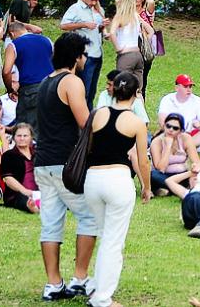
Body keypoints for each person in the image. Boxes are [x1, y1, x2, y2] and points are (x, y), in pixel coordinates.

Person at [32, 32, 98, 302]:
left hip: (43, 162)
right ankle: (80, 278)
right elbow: (85, 123)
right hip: (65, 163)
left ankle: (53, 283)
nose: (85, 59)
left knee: (50, 223)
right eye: (83, 54)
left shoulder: (46, 82)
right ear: (76, 57)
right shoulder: (71, 81)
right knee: (89, 217)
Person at [81, 71, 151, 307]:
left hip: (93, 179)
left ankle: (97, 288)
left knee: (105, 236)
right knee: (113, 241)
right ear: (135, 94)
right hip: (117, 179)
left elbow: (88, 146)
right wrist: (146, 187)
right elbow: (143, 161)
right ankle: (102, 298)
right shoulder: (136, 122)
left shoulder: (98, 114)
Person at [61, 0, 107, 105]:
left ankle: (89, 117)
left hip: (98, 53)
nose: (93, 2)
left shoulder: (97, 10)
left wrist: (101, 26)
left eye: (96, 0)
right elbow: (64, 25)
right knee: (84, 91)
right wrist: (83, 24)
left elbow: (96, 30)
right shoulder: (76, 8)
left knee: (92, 91)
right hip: (86, 55)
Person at [4, 17, 55, 127]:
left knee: (26, 125)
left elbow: (6, 71)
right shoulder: (47, 40)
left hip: (31, 89)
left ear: (12, 34)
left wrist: (10, 89)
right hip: (51, 87)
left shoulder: (13, 45)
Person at [158, 74, 200, 150]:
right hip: (171, 132)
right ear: (177, 88)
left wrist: (199, 126)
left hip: (190, 134)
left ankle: (182, 147)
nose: (189, 89)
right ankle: (192, 147)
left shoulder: (198, 101)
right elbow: (162, 121)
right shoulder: (167, 99)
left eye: (190, 87)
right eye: (185, 87)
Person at [106, 0, 146, 90]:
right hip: (137, 54)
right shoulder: (136, 16)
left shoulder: (120, 17)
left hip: (126, 55)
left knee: (123, 88)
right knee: (137, 90)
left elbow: (112, 33)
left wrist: (118, 49)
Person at [0, 122, 40, 213]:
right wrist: (25, 191)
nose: (22, 138)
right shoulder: (9, 155)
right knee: (24, 200)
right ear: (14, 137)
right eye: (19, 136)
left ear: (31, 137)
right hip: (18, 194)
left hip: (39, 191)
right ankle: (35, 208)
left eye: (25, 136)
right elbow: (8, 179)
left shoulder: (38, 153)